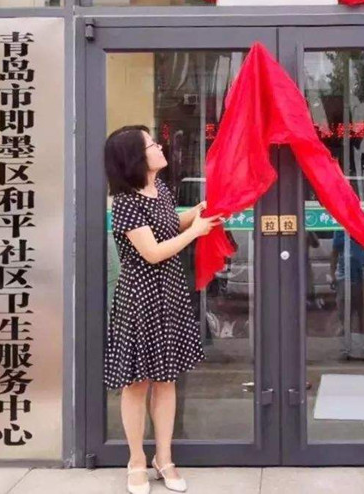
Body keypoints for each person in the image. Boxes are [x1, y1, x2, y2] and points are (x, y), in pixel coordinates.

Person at [104, 125, 221, 494]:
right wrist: (196, 232)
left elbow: (169, 226)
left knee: (166, 380)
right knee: (137, 383)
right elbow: (152, 252)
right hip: (140, 298)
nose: (159, 147)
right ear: (135, 157)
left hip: (168, 294)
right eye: (151, 144)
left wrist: (197, 213)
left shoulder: (161, 190)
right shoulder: (125, 201)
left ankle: (164, 458)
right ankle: (136, 461)